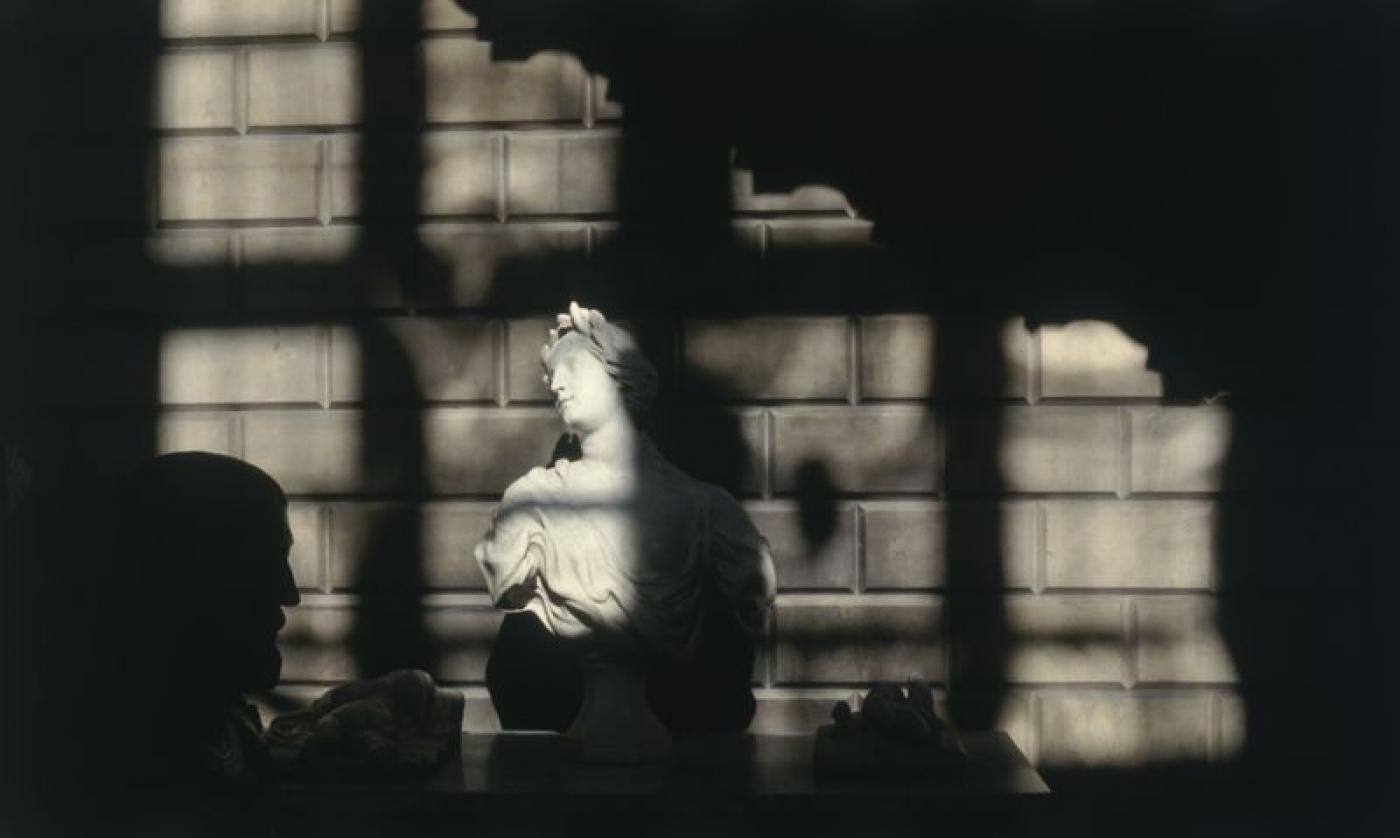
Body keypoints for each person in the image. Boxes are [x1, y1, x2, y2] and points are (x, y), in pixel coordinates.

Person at [476, 302, 777, 735]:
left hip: (675, 726)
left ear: (620, 374)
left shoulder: (705, 510)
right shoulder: (532, 503)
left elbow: (754, 583)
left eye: (572, 367)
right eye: (552, 375)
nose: (557, 384)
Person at [108, 452, 300, 789]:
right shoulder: (136, 765)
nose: (290, 593)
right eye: (263, 562)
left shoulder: (230, 731)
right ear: (190, 577)